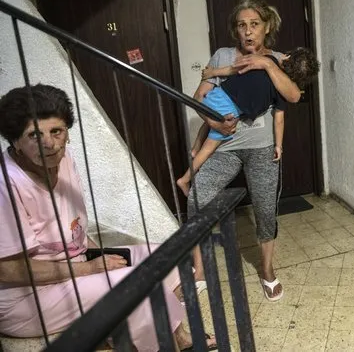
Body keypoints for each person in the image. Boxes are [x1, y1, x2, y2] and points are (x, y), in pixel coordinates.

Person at [0, 84, 216, 351]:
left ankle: (171, 335)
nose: (49, 143)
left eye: (56, 131)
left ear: (67, 132)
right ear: (15, 142)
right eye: (34, 135)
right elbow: (8, 269)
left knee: (168, 260)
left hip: (73, 267)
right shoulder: (5, 184)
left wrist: (96, 257)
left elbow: (71, 226)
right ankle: (159, 342)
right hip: (26, 296)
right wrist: (89, 269)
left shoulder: (64, 158)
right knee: (136, 286)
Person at [188, 0, 302, 302]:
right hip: (224, 147)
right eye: (242, 25)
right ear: (235, 30)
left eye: (254, 24)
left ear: (266, 27)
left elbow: (292, 96)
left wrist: (265, 62)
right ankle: (198, 270)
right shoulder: (224, 55)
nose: (248, 32)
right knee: (197, 195)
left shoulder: (278, 58)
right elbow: (199, 96)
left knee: (265, 210)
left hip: (261, 149)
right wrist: (215, 121)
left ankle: (266, 269)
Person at [176, 48, 319, 197]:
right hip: (227, 109)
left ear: (287, 56)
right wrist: (278, 145)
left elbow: (235, 69)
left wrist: (213, 72)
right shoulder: (281, 92)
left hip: (217, 94)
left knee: (209, 122)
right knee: (209, 147)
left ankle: (195, 148)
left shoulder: (267, 60)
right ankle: (185, 179)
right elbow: (279, 120)